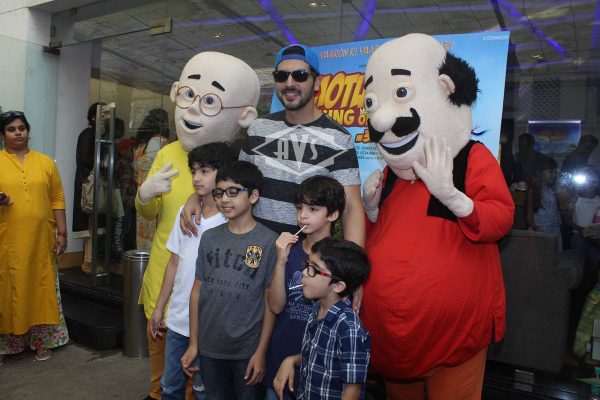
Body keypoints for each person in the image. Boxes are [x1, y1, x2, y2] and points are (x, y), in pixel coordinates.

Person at [361, 34, 514, 398]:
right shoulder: (391, 175)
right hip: (393, 345)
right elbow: (380, 236)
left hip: (454, 338)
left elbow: (500, 219)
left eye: (401, 93)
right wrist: (370, 210)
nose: (380, 118)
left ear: (447, 89)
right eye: (371, 103)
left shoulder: (471, 158)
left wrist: (454, 197)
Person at [135, 52, 260, 400]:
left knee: (203, 372)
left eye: (209, 101)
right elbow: (148, 212)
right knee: (163, 361)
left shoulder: (233, 165)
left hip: (210, 288)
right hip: (168, 268)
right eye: (188, 94)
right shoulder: (166, 153)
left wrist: (199, 196)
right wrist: (145, 194)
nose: (191, 109)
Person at [182, 44, 365, 247]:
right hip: (254, 250)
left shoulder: (338, 138)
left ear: (317, 83)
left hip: (306, 256)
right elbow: (234, 184)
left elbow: (350, 207)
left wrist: (351, 261)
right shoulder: (258, 128)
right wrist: (197, 198)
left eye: (300, 76)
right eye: (281, 76)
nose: (289, 83)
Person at [181, 161, 277, 400]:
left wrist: (261, 352)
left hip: (247, 351)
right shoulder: (209, 238)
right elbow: (197, 291)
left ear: (253, 196)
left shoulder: (269, 242)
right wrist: (194, 344)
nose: (224, 199)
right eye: (219, 192)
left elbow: (270, 303)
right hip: (209, 347)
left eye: (233, 192)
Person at [149, 142, 235, 400]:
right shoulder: (184, 214)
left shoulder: (230, 220)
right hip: (177, 319)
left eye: (205, 171)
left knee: (204, 391)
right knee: (170, 387)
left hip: (210, 325)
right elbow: (173, 263)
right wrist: (159, 307)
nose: (197, 177)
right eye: (194, 171)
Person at [264, 175, 346, 400]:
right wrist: (280, 262)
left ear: (333, 214)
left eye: (313, 209)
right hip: (280, 353)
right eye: (299, 207)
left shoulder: (341, 259)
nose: (302, 215)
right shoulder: (287, 251)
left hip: (320, 367)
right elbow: (275, 306)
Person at [0, 111, 69, 364]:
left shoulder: (45, 162)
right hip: (7, 242)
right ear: (3, 135)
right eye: (11, 129)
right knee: (7, 290)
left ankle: (41, 341)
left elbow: (57, 198)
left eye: (22, 128)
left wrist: (62, 232)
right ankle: (5, 345)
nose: (18, 132)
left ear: (28, 131)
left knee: (40, 289)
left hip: (41, 240)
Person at [273, 237, 371, 400]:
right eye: (307, 265)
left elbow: (352, 391)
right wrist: (290, 361)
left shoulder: (350, 329)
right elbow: (318, 357)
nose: (304, 272)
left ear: (338, 286)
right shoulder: (316, 308)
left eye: (314, 269)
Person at [73, 102, 104, 275]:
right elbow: (85, 159)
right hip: (88, 185)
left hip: (91, 184)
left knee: (93, 224)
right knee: (90, 224)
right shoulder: (89, 134)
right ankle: (88, 262)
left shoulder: (97, 134)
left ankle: (90, 261)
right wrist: (103, 162)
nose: (106, 119)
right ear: (93, 117)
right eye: (103, 115)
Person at [133, 108, 170, 251]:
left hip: (142, 192)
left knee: (143, 233)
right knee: (155, 233)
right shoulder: (161, 142)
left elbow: (136, 171)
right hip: (158, 193)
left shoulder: (140, 144)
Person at [526, 156, 562, 253]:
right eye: (550, 171)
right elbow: (529, 217)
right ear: (540, 173)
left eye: (555, 172)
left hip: (554, 230)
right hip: (540, 231)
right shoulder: (534, 191)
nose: (553, 175)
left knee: (553, 257)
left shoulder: (553, 191)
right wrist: (536, 229)